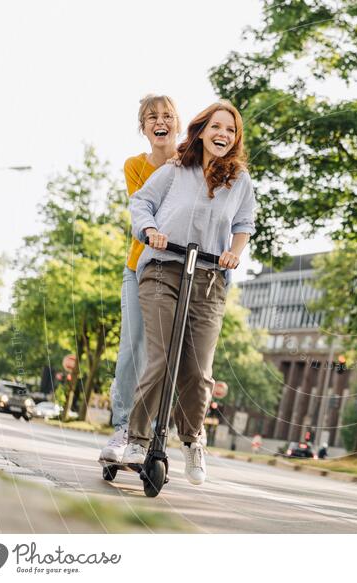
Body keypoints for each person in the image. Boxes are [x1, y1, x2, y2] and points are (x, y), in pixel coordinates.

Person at [122, 100, 256, 486]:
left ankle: (193, 440)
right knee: (161, 358)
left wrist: (234, 252)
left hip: (209, 278)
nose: (223, 135)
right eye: (216, 126)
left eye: (230, 130)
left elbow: (244, 223)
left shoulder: (240, 180)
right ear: (202, 130)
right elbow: (141, 202)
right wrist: (150, 232)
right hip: (164, 268)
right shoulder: (176, 168)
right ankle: (137, 437)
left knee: (198, 372)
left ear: (235, 138)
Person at [99, 95, 180, 463]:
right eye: (151, 118)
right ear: (143, 127)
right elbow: (144, 209)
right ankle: (122, 427)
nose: (159, 122)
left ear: (177, 122)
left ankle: (152, 429)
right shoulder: (135, 165)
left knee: (163, 354)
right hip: (140, 267)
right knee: (132, 346)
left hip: (179, 270)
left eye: (166, 116)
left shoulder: (194, 163)